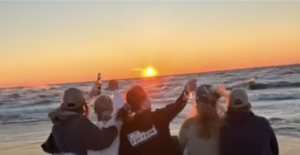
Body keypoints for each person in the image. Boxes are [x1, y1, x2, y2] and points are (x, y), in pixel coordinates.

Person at [119, 78, 197, 155]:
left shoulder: (125, 128)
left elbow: (124, 151)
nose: (149, 99)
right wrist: (187, 90)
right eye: (147, 96)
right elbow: (177, 105)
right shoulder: (158, 117)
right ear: (142, 103)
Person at [41, 87, 119, 155]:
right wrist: (116, 123)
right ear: (82, 105)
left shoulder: (56, 126)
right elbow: (104, 141)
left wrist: (90, 96)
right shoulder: (83, 125)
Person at [220, 88, 279, 155]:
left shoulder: (222, 127)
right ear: (248, 105)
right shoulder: (263, 123)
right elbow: (275, 150)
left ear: (229, 107)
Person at [179, 84, 225, 155]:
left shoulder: (188, 125)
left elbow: (180, 147)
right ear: (214, 103)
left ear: (197, 103)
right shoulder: (223, 124)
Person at [88, 80, 130, 155]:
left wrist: (89, 96)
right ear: (112, 109)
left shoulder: (93, 130)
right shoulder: (118, 124)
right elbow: (122, 107)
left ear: (95, 110)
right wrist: (116, 90)